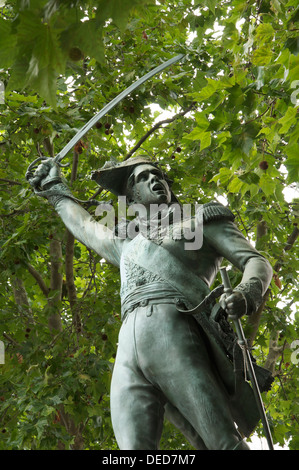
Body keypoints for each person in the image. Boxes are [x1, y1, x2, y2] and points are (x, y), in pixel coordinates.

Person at [26, 155, 273, 450]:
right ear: (130, 195)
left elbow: (255, 261)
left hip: (177, 332)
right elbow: (85, 225)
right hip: (127, 350)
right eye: (143, 177)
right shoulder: (125, 243)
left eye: (158, 175)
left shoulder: (200, 220)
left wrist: (246, 293)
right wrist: (54, 186)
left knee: (222, 443)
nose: (155, 179)